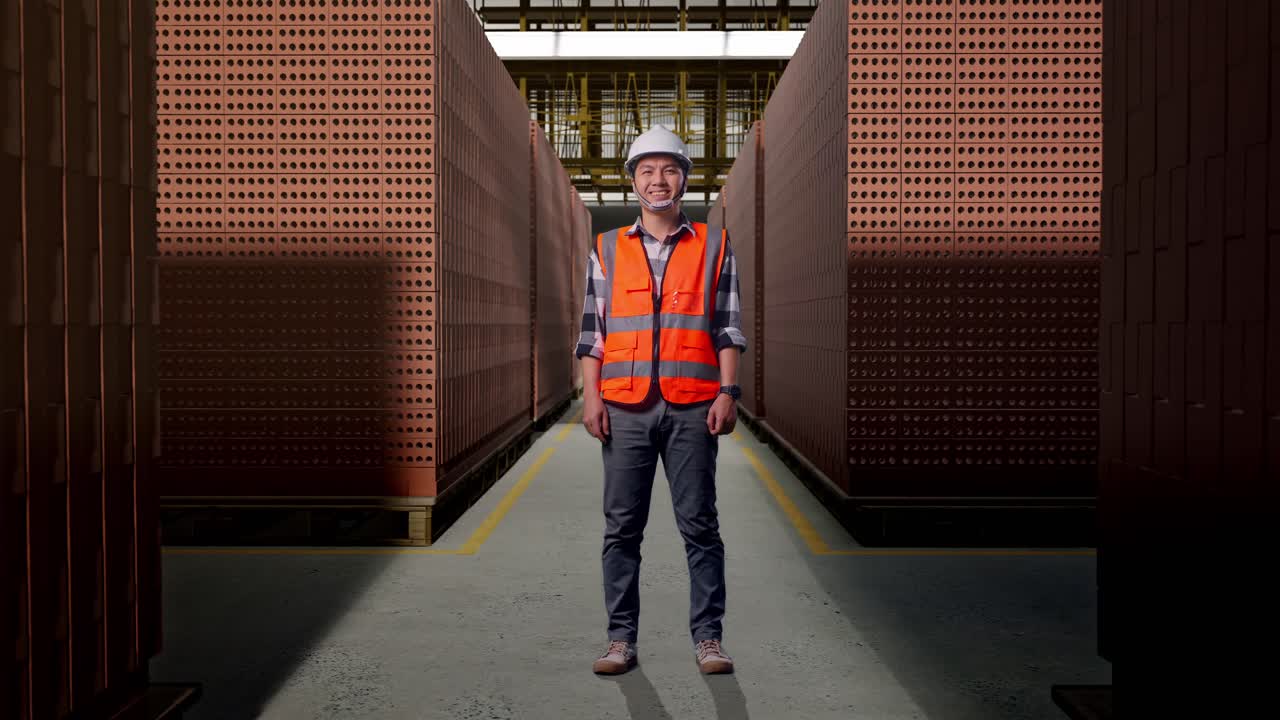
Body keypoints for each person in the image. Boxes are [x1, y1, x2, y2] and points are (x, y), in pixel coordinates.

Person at [574, 125, 748, 675]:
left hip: (694, 404)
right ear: (633, 182)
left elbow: (728, 326)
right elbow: (591, 332)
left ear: (684, 180)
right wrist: (590, 397)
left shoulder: (714, 244)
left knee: (699, 524)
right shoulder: (606, 248)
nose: (658, 180)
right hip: (624, 405)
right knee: (622, 527)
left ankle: (709, 639)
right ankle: (621, 639)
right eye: (646, 170)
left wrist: (728, 391)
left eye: (669, 169)